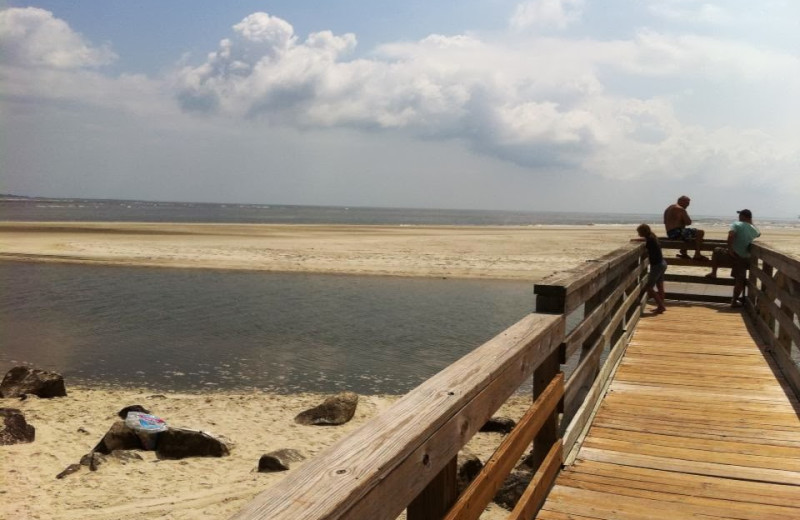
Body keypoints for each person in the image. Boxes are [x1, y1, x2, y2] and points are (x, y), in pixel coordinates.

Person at [705, 209, 761, 307]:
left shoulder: (737, 224)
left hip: (733, 254)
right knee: (740, 279)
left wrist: (730, 249)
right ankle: (734, 301)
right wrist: (751, 222)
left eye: (740, 215)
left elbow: (731, 235)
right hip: (744, 257)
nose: (738, 217)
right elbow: (759, 234)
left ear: (743, 216)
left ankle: (714, 273)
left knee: (717, 250)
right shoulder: (753, 229)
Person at [663, 195, 707, 260]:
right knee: (700, 232)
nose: (687, 205)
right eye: (687, 203)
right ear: (681, 201)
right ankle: (697, 254)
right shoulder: (681, 209)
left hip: (670, 233)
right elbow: (688, 222)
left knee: (685, 231)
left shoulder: (668, 209)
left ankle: (684, 253)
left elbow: (665, 222)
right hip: (676, 233)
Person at [636, 223, 667, 314]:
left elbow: (642, 240)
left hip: (657, 265)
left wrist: (634, 239)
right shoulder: (652, 237)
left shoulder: (649, 239)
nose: (638, 234)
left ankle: (661, 306)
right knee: (660, 286)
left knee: (649, 287)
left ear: (643, 232)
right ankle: (661, 305)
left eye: (639, 232)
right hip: (662, 263)